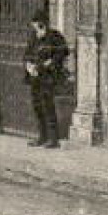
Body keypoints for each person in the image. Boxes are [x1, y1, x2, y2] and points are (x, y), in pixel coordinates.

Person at [22, 9, 69, 148]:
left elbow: (64, 51)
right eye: (35, 25)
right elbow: (26, 54)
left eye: (38, 24)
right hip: (35, 76)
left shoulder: (54, 36)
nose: (36, 27)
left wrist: (51, 62)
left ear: (43, 24)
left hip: (48, 76)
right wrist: (28, 66)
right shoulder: (33, 37)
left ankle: (54, 139)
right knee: (37, 106)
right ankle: (42, 136)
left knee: (48, 105)